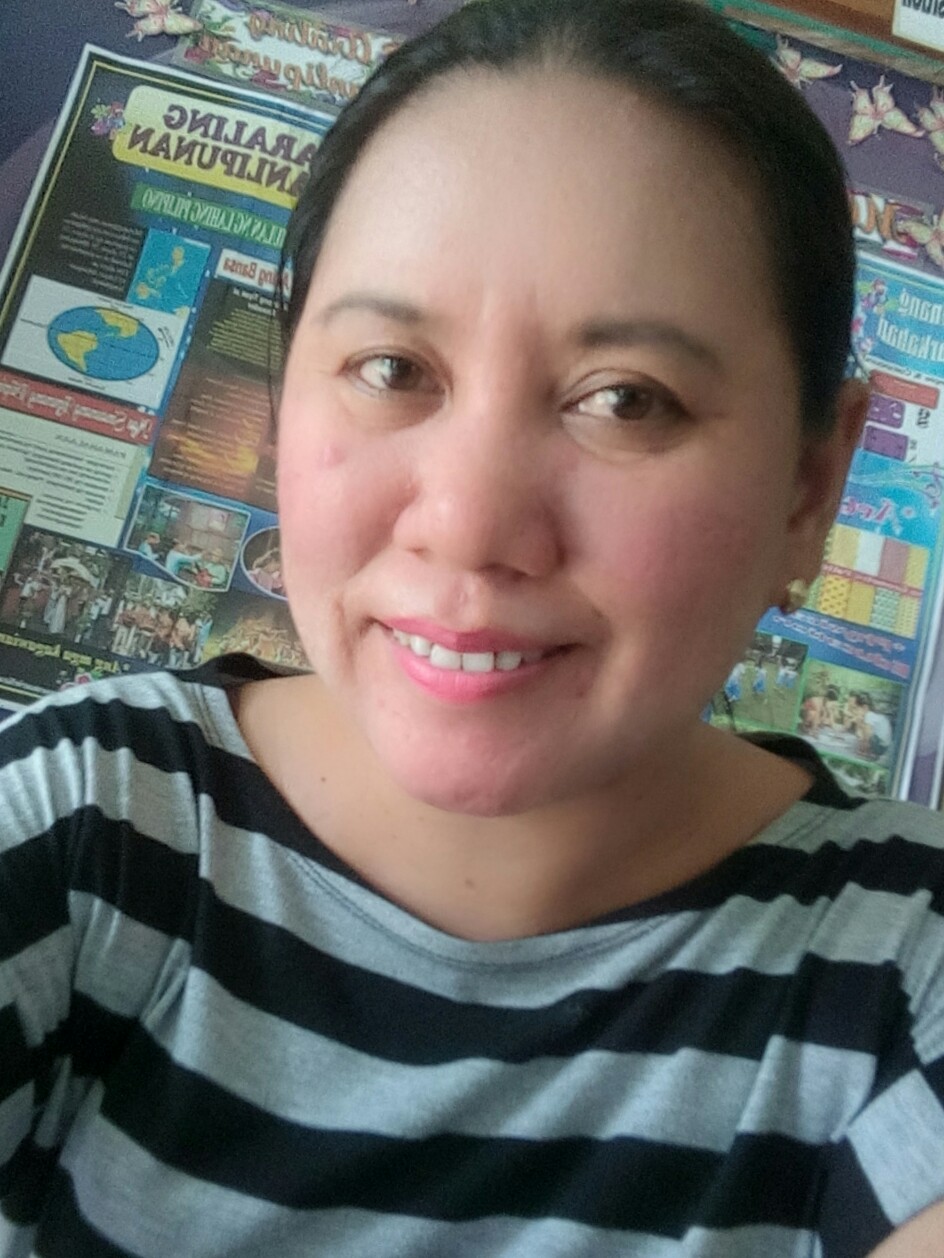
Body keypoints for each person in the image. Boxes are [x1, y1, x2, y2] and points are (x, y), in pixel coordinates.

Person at [1, 2, 943, 1255]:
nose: (467, 524)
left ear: (807, 491)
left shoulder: (905, 967)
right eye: (393, 369)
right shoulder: (83, 826)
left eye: (625, 400)